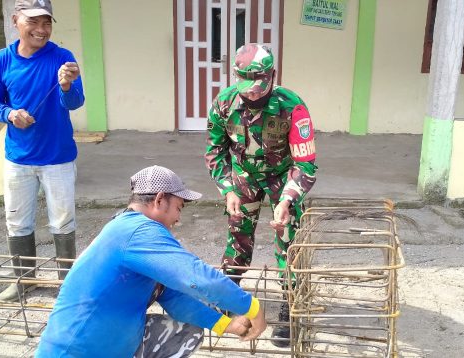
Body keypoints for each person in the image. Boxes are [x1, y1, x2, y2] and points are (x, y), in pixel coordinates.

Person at [35, 166, 267, 357]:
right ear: (159, 200)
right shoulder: (139, 232)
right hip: (74, 351)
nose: (178, 218)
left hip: (103, 344)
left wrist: (228, 324)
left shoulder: (127, 227)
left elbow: (173, 297)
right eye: (178, 207)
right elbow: (196, 277)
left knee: (184, 333)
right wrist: (252, 307)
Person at [204, 43, 317, 347]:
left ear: (273, 75)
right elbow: (216, 151)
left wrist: (288, 199)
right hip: (243, 176)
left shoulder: (292, 106)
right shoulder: (224, 103)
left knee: (289, 242)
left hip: (283, 177)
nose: (252, 94)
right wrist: (228, 188)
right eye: (247, 88)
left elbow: (305, 164)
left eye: (259, 87)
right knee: (238, 238)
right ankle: (228, 298)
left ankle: (290, 308)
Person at [0, 0, 85, 301]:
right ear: (17, 21)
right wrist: (11, 114)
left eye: (47, 23)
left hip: (58, 156)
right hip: (18, 157)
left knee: (63, 221)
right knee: (17, 220)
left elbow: (75, 103)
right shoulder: (2, 60)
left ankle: (66, 283)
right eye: (34, 22)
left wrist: (67, 86)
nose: (42, 30)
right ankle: (23, 279)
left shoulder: (62, 58)